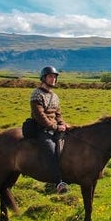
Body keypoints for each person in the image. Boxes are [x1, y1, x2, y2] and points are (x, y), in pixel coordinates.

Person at [31, 66, 69, 194]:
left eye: (55, 77)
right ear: (44, 78)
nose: (53, 79)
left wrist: (63, 124)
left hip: (55, 128)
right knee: (51, 150)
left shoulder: (55, 96)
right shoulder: (37, 94)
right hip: (41, 129)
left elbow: (58, 114)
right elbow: (40, 116)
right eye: (50, 76)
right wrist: (55, 127)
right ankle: (58, 182)